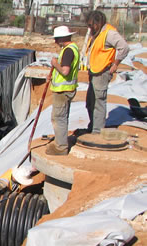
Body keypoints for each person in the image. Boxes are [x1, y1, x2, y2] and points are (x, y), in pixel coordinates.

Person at [85, 10, 129, 134]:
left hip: (102, 72)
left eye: (91, 25)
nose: (89, 28)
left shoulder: (109, 33)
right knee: (90, 102)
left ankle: (97, 131)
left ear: (98, 23)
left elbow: (124, 47)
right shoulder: (97, 33)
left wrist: (116, 64)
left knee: (99, 103)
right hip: (94, 71)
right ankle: (93, 125)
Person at [45, 25, 80, 156]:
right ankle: (61, 142)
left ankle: (61, 147)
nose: (55, 42)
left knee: (58, 118)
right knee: (62, 117)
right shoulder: (73, 48)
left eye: (56, 39)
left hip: (63, 91)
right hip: (67, 89)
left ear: (61, 38)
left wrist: (55, 64)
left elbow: (65, 71)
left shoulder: (68, 51)